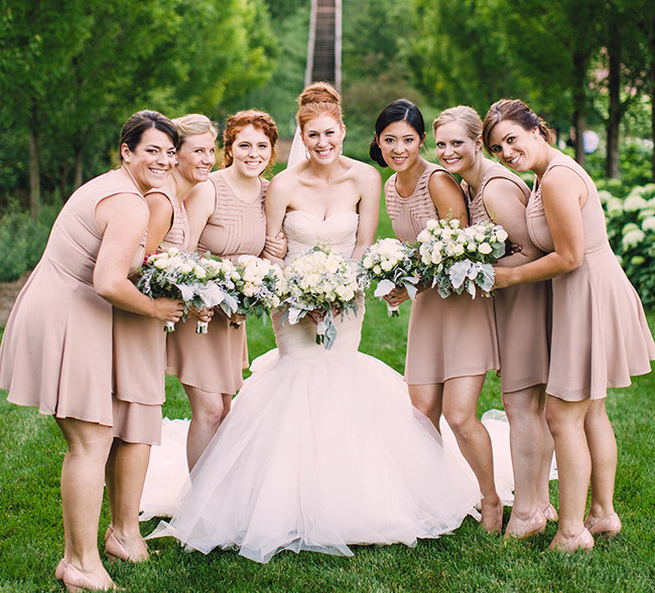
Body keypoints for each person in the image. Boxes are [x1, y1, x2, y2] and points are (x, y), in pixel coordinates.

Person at [147, 83, 481, 562]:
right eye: (312, 134)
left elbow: (364, 246)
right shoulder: (283, 184)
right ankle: (281, 499)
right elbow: (272, 251)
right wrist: (299, 291)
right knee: (297, 380)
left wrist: (341, 290)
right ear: (302, 137)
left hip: (347, 300)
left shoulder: (367, 178)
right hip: (292, 305)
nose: (322, 142)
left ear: (342, 131)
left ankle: (350, 498)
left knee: (341, 379)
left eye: (329, 133)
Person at [0, 111, 184, 593]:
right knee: (90, 441)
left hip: (65, 309)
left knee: (93, 437)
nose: (163, 160)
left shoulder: (114, 187)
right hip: (67, 315)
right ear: (127, 151)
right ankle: (78, 564)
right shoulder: (129, 203)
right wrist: (155, 308)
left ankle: (93, 552)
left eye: (170, 152)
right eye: (152, 151)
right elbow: (107, 281)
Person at [484, 98, 655, 552]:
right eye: (498, 148)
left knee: (563, 414)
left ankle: (572, 531)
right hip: (584, 293)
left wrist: (510, 276)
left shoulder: (558, 178)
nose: (506, 153)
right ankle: (603, 514)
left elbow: (569, 256)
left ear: (536, 129)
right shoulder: (546, 174)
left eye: (511, 140)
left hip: (587, 295)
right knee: (591, 410)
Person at [370, 100, 503, 532]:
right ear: (378, 142)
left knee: (460, 415)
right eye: (389, 140)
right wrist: (398, 281)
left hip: (460, 304)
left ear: (420, 141)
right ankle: (434, 499)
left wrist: (412, 285)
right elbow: (415, 252)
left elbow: (457, 254)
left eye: (407, 139)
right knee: (422, 412)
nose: (398, 148)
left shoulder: (439, 180)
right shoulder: (390, 187)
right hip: (428, 309)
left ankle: (491, 499)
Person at [433, 105, 554, 540]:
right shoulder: (472, 185)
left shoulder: (495, 190)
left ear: (477, 143)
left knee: (522, 407)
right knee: (530, 409)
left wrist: (486, 272)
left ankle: (526, 512)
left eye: (457, 143)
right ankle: (538, 500)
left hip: (524, 300)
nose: (448, 152)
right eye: (441, 144)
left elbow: (535, 251)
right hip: (511, 300)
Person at [107, 113, 217, 563]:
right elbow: (139, 267)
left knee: (136, 425)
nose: (204, 159)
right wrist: (178, 299)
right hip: (137, 322)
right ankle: (123, 529)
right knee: (131, 425)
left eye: (211, 150)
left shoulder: (177, 196)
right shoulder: (161, 202)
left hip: (153, 321)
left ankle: (123, 526)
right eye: (194, 151)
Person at [165, 110, 283, 470]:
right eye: (244, 145)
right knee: (210, 410)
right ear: (228, 149)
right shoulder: (208, 189)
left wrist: (270, 256)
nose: (253, 154)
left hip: (233, 315)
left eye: (262, 146)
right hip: (199, 312)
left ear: (271, 151)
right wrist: (197, 296)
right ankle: (199, 509)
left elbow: (264, 252)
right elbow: (182, 254)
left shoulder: (269, 191)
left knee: (225, 408)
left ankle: (217, 500)